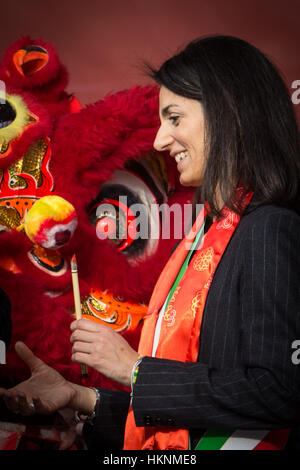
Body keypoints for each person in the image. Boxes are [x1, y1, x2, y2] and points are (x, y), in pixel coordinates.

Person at [1, 35, 300, 451]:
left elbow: (279, 391)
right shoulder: (205, 236)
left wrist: (136, 370)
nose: (160, 141)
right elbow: (194, 414)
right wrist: (81, 397)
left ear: (228, 111)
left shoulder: (269, 229)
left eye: (174, 118)